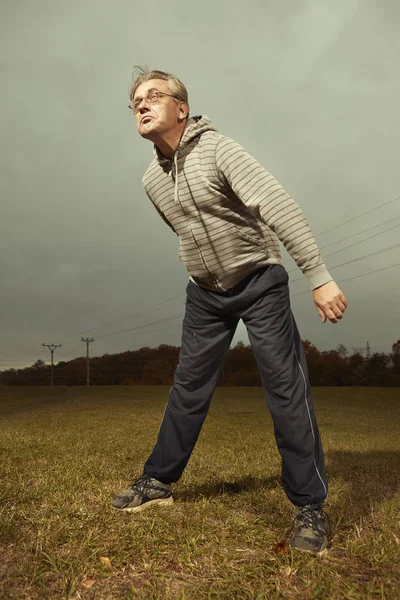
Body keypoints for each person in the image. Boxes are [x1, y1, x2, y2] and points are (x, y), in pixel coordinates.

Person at [111, 68, 348, 555]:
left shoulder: (219, 149)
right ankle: (156, 483)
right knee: (188, 388)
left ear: (181, 107)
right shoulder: (151, 180)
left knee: (285, 389)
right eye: (135, 100)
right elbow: (184, 231)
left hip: (259, 281)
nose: (141, 104)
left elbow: (277, 204)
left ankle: (310, 507)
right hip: (205, 293)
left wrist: (318, 275)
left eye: (153, 96)